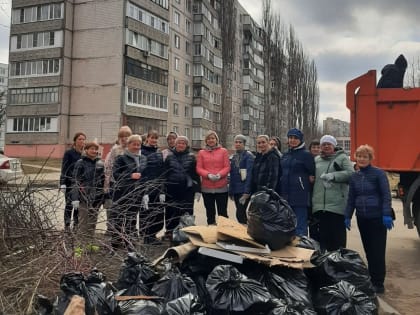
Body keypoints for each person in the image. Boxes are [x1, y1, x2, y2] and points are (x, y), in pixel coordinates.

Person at [344, 144, 393, 294]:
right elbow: (351, 198)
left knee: (377, 251)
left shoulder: (378, 174)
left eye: (365, 157)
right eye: (359, 156)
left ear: (370, 158)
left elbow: (386, 195)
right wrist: (347, 215)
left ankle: (378, 283)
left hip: (377, 218)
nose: (361, 159)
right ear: (355, 157)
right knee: (368, 250)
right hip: (362, 218)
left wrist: (386, 214)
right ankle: (371, 279)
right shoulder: (355, 177)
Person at [312, 135, 353, 251]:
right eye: (323, 144)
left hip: (336, 206)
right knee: (322, 241)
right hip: (320, 206)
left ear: (334, 146)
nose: (326, 146)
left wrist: (334, 176)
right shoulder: (316, 160)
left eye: (329, 144)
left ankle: (338, 264)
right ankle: (326, 266)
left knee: (337, 241)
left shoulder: (342, 158)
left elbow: (351, 174)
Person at [111, 134, 147, 250]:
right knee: (119, 218)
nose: (137, 146)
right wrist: (130, 175)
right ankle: (116, 243)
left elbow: (146, 177)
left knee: (132, 219)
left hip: (137, 193)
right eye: (134, 144)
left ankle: (129, 242)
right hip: (122, 192)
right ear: (128, 144)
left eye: (139, 144)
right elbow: (115, 174)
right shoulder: (121, 158)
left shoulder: (143, 159)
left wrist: (145, 193)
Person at [279, 128, 315, 236]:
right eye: (290, 137)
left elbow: (312, 174)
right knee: (287, 225)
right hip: (285, 196)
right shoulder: (285, 155)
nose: (292, 140)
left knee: (300, 226)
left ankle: (302, 249)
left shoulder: (306, 155)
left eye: (295, 138)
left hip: (300, 196)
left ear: (300, 140)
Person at [164, 136, 200, 238]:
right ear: (175, 144)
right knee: (171, 211)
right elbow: (164, 174)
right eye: (179, 143)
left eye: (183, 143)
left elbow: (195, 175)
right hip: (171, 189)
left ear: (186, 145)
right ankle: (170, 232)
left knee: (186, 211)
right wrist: (162, 190)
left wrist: (198, 190)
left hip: (187, 190)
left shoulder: (192, 157)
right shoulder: (169, 157)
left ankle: (185, 233)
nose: (181, 145)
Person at [71, 142, 105, 240]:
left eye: (96, 149)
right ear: (86, 150)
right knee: (83, 224)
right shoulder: (80, 163)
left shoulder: (100, 163)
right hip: (83, 197)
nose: (94, 151)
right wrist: (75, 197)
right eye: (92, 149)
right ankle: (80, 248)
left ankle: (89, 245)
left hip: (96, 198)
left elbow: (103, 181)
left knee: (92, 223)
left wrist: (103, 196)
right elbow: (75, 180)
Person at [196, 130, 230, 225]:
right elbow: (199, 168)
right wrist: (208, 175)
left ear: (216, 140)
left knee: (222, 213)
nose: (211, 140)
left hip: (221, 187)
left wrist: (220, 175)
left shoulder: (223, 151)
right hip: (207, 188)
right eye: (208, 138)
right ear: (206, 141)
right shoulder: (201, 153)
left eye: (213, 138)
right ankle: (211, 232)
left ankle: (224, 233)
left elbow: (227, 167)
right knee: (210, 213)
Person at [104, 125, 132, 235]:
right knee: (113, 209)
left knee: (128, 210)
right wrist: (107, 187)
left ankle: (126, 232)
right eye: (122, 136)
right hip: (115, 184)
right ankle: (111, 230)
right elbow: (108, 168)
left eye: (127, 136)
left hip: (129, 185)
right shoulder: (115, 150)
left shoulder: (134, 149)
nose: (124, 138)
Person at [140, 129, 165, 244]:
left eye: (156, 138)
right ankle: (146, 236)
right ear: (147, 138)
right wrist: (144, 192)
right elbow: (142, 172)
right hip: (146, 187)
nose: (154, 140)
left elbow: (161, 172)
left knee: (158, 213)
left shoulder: (159, 152)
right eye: (152, 137)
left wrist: (162, 190)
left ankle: (153, 235)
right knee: (146, 213)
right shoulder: (142, 152)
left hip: (157, 187)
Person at [60, 132, 86, 232]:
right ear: (75, 141)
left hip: (81, 184)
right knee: (69, 204)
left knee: (78, 206)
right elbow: (64, 168)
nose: (82, 141)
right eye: (80, 139)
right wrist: (62, 182)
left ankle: (76, 225)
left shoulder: (84, 153)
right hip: (70, 182)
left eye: (83, 139)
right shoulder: (69, 153)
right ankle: (67, 225)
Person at [229, 134, 254, 224]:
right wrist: (231, 191)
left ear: (244, 144)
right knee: (241, 214)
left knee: (239, 213)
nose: (238, 144)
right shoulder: (234, 157)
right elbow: (232, 175)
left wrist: (247, 192)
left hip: (244, 191)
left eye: (240, 142)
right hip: (236, 190)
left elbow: (250, 174)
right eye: (236, 142)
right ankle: (245, 232)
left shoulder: (248, 156)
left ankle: (246, 231)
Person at [308, 139, 321, 241]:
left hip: (320, 195)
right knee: (312, 224)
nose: (316, 149)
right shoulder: (307, 159)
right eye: (314, 147)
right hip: (309, 194)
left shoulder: (323, 160)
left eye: (318, 147)